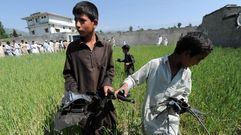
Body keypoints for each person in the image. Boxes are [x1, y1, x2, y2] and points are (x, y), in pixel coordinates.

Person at [114, 31, 213, 135]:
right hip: (151, 122)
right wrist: (124, 87)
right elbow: (133, 79)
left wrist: (183, 103)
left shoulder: (187, 73)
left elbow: (185, 94)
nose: (198, 63)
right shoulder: (155, 65)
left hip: (172, 123)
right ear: (187, 54)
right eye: (199, 59)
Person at [55, 1, 116, 135]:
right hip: (83, 106)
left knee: (107, 129)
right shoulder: (72, 48)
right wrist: (76, 94)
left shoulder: (106, 47)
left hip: (103, 103)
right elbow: (68, 74)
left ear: (95, 23)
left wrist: (107, 83)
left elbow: (110, 70)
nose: (77, 24)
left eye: (82, 20)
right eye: (76, 20)